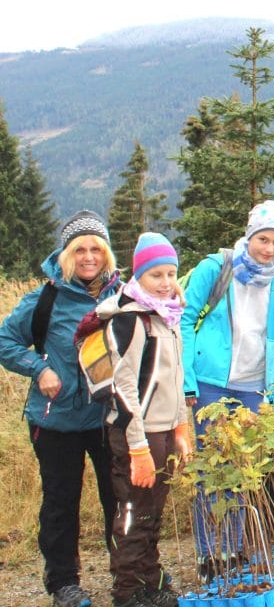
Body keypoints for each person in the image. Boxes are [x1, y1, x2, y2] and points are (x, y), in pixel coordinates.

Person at [0, 211, 119, 607]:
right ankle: (63, 583)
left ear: (106, 254)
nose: (88, 257)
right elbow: (5, 342)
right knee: (61, 502)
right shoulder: (45, 298)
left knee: (119, 497)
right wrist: (40, 368)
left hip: (109, 416)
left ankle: (130, 571)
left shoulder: (122, 295)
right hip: (57, 419)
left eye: (96, 249)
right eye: (79, 249)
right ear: (66, 254)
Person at [182, 200, 274, 575]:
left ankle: (234, 549)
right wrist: (187, 380)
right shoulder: (216, 268)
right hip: (211, 383)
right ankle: (207, 552)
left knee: (242, 470)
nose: (269, 249)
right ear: (249, 236)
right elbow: (183, 320)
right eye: (262, 239)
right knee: (211, 467)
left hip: (254, 388)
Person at [100, 233, 192, 607]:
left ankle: (149, 580)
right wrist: (137, 448)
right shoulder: (131, 320)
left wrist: (181, 426)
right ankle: (127, 592)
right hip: (139, 434)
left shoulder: (167, 315)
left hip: (165, 431)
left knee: (153, 512)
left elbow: (176, 377)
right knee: (135, 514)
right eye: (157, 274)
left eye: (172, 273)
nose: (167, 282)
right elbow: (124, 389)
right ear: (139, 276)